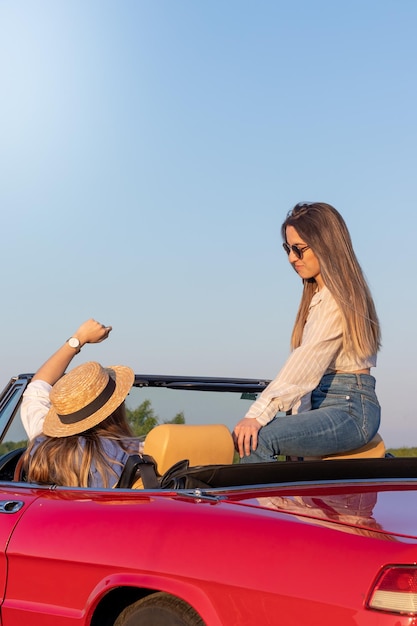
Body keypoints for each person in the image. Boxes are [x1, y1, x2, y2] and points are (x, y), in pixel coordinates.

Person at [233, 201, 381, 462]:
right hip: (331, 402)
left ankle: (254, 504)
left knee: (258, 439)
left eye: (299, 249)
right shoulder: (319, 298)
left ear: (325, 245)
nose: (292, 258)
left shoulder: (338, 300)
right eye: (288, 249)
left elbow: (305, 362)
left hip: (350, 408)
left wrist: (257, 415)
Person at [20, 318, 142, 488]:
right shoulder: (135, 452)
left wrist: (79, 338)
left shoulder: (42, 444)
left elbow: (36, 389)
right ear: (115, 407)